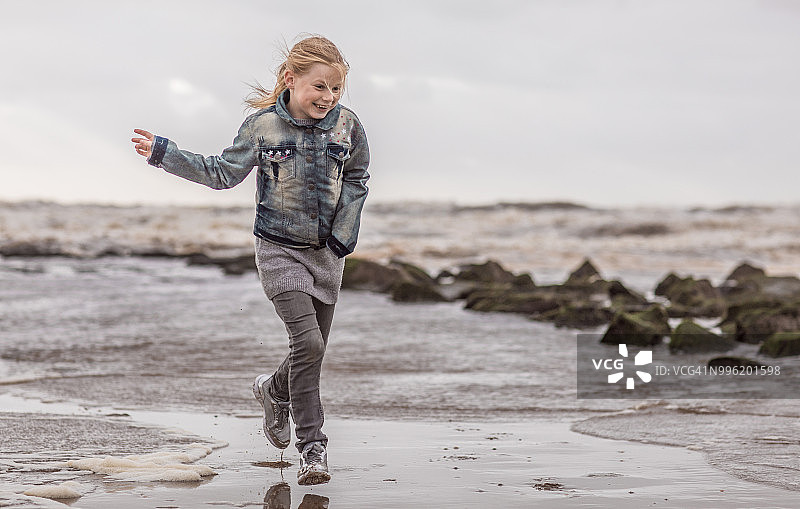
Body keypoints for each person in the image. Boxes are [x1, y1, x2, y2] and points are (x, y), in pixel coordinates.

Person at [130, 35, 370, 486]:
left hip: (328, 255)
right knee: (310, 346)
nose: (328, 97)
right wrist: (166, 153)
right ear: (290, 80)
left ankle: (273, 391)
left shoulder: (348, 126)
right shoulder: (261, 127)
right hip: (279, 250)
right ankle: (313, 450)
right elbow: (223, 173)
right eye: (319, 87)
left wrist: (345, 233)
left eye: (335, 89)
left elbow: (357, 178)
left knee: (309, 354)